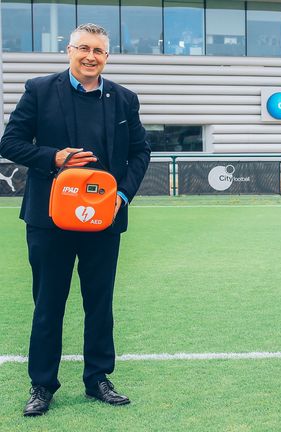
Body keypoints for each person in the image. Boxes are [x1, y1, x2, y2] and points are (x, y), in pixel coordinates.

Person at [0, 23, 151, 416]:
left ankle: (98, 378)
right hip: (50, 220)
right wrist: (53, 157)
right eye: (83, 48)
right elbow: (10, 142)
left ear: (107, 57)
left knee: (99, 304)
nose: (90, 56)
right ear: (69, 50)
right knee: (48, 303)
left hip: (104, 220)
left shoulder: (124, 99)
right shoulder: (39, 90)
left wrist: (121, 195)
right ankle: (42, 385)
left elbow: (140, 153)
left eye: (98, 51)